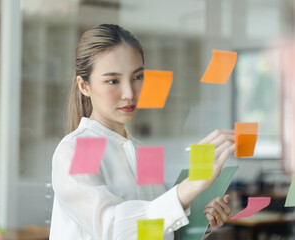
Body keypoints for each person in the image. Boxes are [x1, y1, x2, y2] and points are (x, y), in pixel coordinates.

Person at [50, 24, 235, 240]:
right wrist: (189, 187)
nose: (129, 93)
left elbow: (152, 232)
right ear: (84, 86)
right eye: (113, 81)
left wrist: (202, 221)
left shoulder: (144, 151)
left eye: (137, 77)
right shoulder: (80, 149)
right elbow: (111, 229)